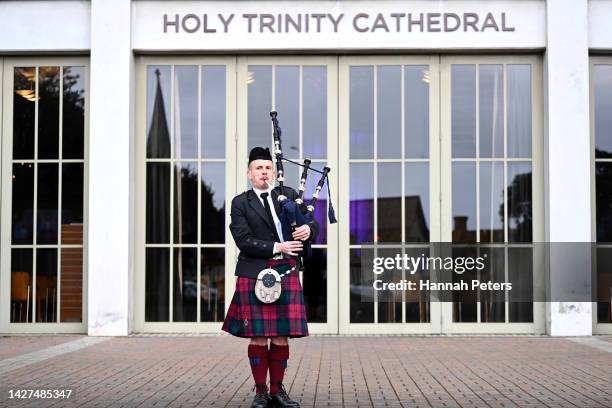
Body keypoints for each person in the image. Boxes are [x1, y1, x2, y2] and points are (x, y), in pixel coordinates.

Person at [222, 146, 318, 408]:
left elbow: (312, 222)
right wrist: (279, 247)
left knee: (280, 335)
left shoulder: (287, 195)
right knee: (258, 336)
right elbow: (243, 240)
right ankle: (261, 392)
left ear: (273, 173)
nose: (264, 172)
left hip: (285, 271)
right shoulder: (240, 203)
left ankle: (277, 390)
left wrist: (308, 230)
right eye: (258, 168)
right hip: (254, 272)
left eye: (267, 168)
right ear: (249, 173)